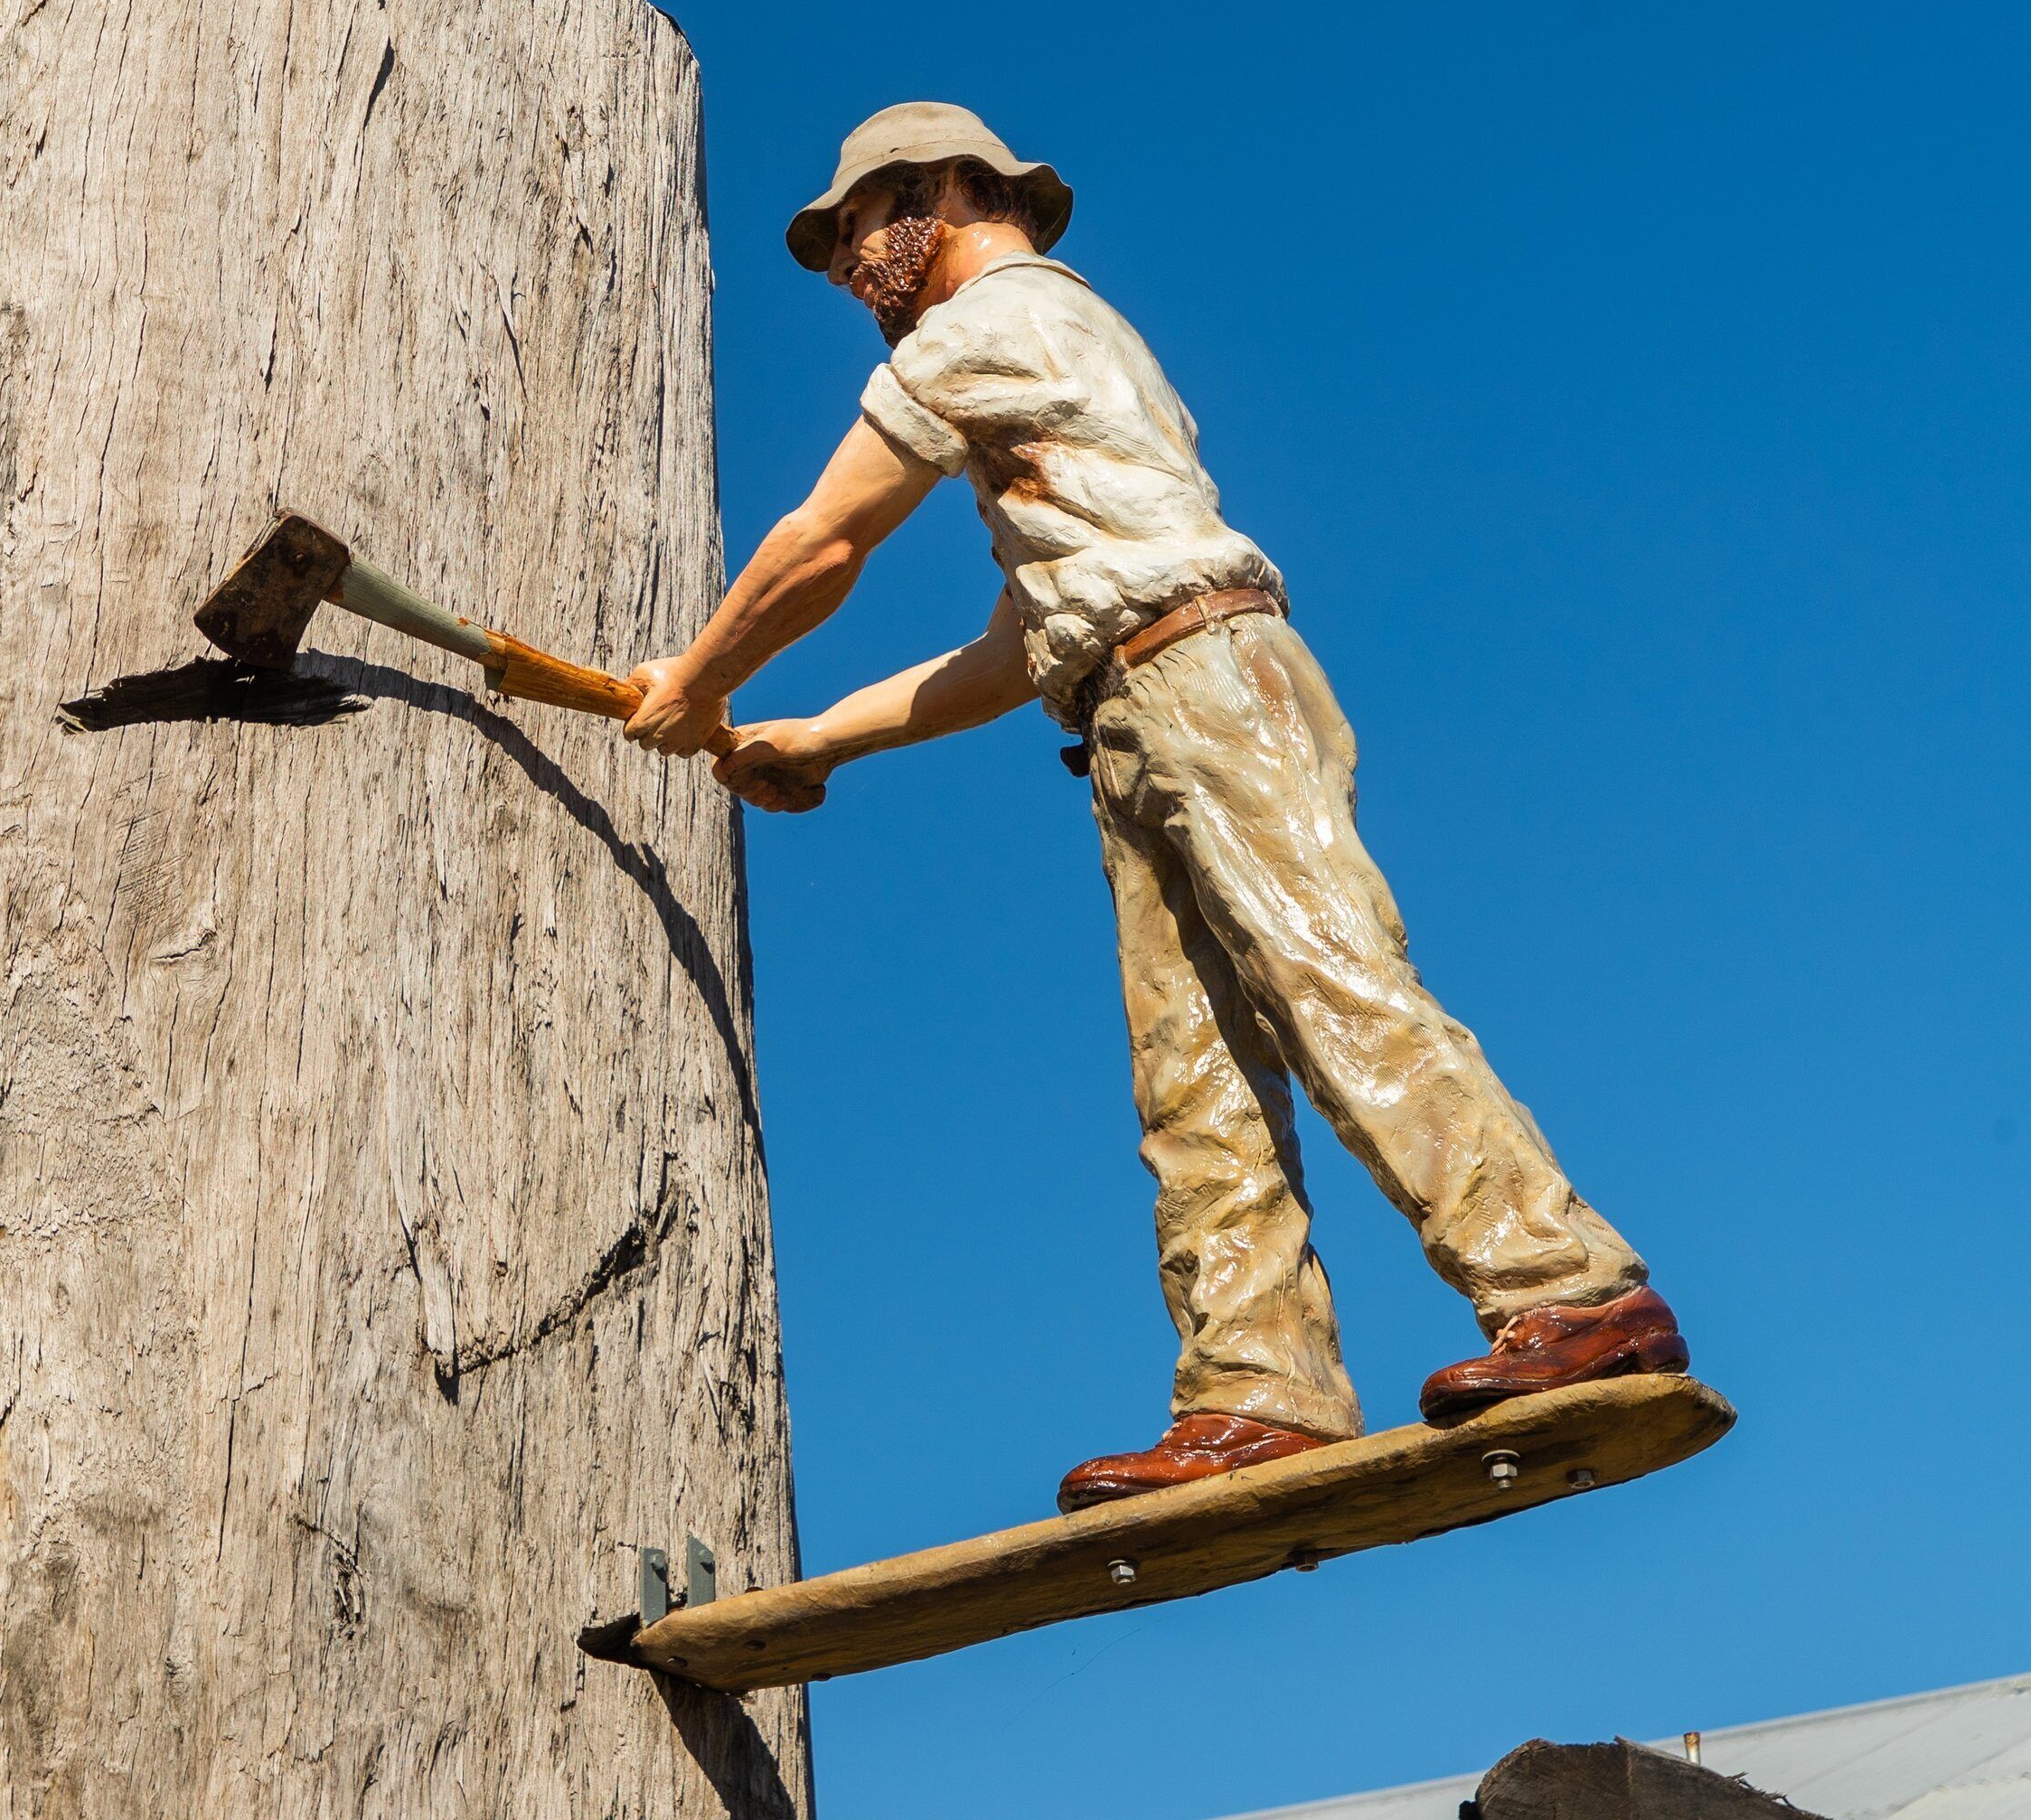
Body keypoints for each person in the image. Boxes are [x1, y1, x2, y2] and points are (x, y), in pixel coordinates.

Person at [622, 104, 1687, 1512]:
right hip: (1132, 696)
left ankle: (1571, 1290)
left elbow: (825, 540)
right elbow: (1022, 643)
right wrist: (821, 733)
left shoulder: (995, 322)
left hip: (1201, 678)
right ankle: (1261, 1386)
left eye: (860, 227)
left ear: (944, 190)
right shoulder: (1058, 376)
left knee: (1332, 987)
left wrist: (694, 683)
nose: (847, 267)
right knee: (1195, 1079)